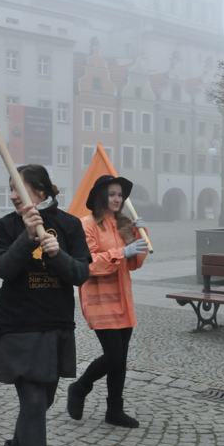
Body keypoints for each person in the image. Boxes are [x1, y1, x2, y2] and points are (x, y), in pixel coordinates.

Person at [0, 165, 90, 446]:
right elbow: (2, 268)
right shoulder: (6, 226)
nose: (13, 195)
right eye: (11, 189)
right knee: (32, 404)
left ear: (41, 190)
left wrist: (56, 252)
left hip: (55, 326)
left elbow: (80, 273)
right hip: (17, 327)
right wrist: (28, 239)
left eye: (20, 189)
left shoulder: (68, 224)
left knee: (43, 403)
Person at [66, 175, 149, 428]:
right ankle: (80, 387)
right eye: (112, 194)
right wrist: (121, 252)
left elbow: (133, 264)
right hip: (100, 301)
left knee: (120, 358)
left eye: (120, 195)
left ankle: (114, 410)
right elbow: (89, 263)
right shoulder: (87, 224)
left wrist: (139, 237)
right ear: (102, 196)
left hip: (123, 299)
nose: (117, 199)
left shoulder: (123, 224)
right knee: (113, 356)